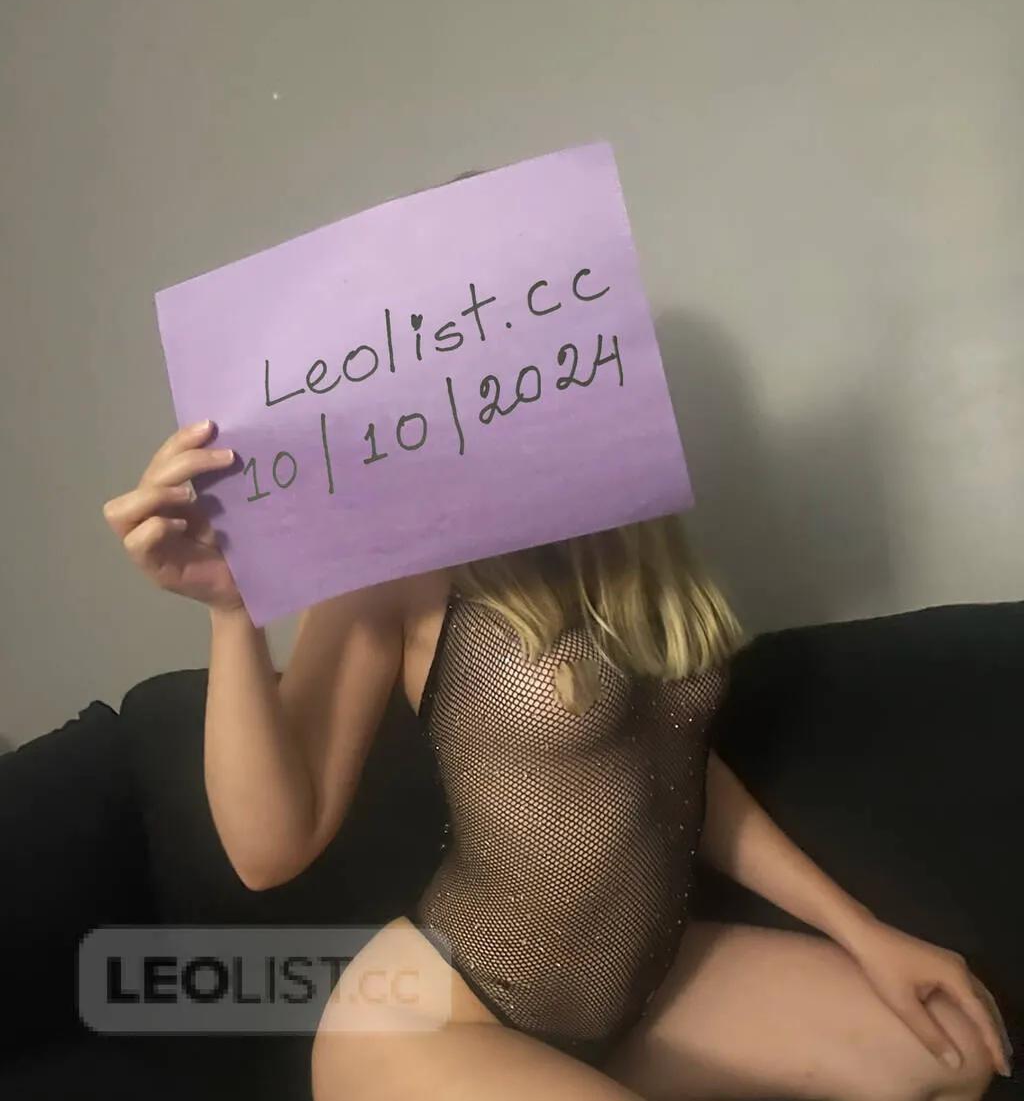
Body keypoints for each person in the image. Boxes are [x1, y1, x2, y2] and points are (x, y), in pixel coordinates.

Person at [104, 418, 1013, 1101]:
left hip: (639, 990)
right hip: (435, 1017)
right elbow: (269, 848)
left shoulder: (632, 531)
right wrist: (231, 610)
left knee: (952, 1049)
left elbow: (670, 772)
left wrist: (863, 929)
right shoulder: (400, 562)